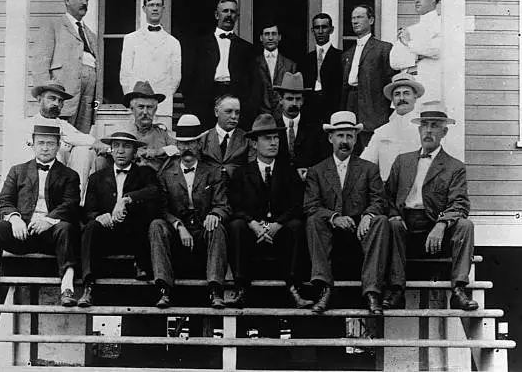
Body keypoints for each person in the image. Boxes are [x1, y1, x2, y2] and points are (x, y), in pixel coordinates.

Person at [0, 123, 80, 307]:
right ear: (33, 145)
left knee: (66, 227)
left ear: (58, 146)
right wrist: (14, 218)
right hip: (21, 234)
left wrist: (49, 220)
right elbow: (3, 200)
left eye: (51, 143)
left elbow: (71, 205)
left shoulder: (69, 175)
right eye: (41, 143)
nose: (45, 148)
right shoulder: (18, 171)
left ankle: (67, 288)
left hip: (51, 238)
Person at [383, 101, 478, 311]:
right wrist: (394, 215)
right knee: (391, 224)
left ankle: (459, 290)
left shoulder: (455, 167)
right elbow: (386, 197)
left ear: (444, 132)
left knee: (465, 226)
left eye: (434, 125)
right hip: (405, 227)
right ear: (419, 129)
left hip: (436, 230)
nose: (428, 130)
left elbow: (459, 203)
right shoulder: (402, 161)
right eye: (424, 125)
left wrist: (442, 222)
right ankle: (396, 289)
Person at [304, 111, 389, 315]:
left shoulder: (368, 169)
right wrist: (334, 218)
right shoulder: (317, 171)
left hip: (360, 232)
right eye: (340, 136)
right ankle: (324, 289)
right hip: (329, 232)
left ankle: (372, 292)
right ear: (330, 138)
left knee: (382, 221)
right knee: (314, 219)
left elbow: (379, 200)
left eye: (349, 136)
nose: (345, 141)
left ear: (355, 138)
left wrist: (368, 216)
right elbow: (310, 205)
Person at [227, 114, 312, 309]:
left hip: (280, 232)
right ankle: (241, 288)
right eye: (267, 139)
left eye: (276, 138)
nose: (273, 143)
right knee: (236, 226)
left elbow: (297, 204)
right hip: (252, 233)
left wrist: (277, 224)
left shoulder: (288, 171)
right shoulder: (242, 172)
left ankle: (294, 289)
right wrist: (253, 223)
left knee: (298, 226)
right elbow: (235, 205)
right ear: (255, 144)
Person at [150, 115, 229, 309]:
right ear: (176, 144)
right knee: (156, 226)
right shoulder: (166, 174)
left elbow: (223, 204)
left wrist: (215, 214)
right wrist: (178, 225)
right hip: (178, 231)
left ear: (199, 144)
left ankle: (215, 290)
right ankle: (164, 289)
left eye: (192, 143)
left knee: (217, 227)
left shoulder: (212, 171)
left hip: (203, 228)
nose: (187, 148)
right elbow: (162, 208)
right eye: (183, 143)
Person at [78, 132, 161, 307]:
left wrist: (127, 199)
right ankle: (88, 286)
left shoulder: (145, 174)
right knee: (91, 227)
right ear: (111, 150)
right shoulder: (97, 178)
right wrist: (99, 216)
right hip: (107, 235)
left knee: (146, 218)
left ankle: (143, 268)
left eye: (127, 147)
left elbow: (155, 192)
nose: (121, 151)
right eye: (116, 146)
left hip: (135, 235)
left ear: (135, 152)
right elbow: (87, 211)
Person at [18, 81, 111, 200]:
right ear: (39, 99)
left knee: (83, 150)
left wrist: (105, 146)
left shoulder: (64, 126)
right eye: (52, 98)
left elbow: (81, 138)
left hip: (62, 180)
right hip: (33, 180)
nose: (56, 103)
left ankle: (75, 201)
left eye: (60, 101)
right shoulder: (26, 125)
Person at [185, 0, 259, 131]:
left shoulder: (247, 48)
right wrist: (194, 105)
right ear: (216, 15)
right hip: (207, 99)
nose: (229, 15)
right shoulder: (200, 44)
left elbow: (253, 83)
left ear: (237, 16)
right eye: (225, 11)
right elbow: (189, 78)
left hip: (236, 99)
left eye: (233, 12)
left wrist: (248, 108)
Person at [32, 0, 98, 134]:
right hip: (63, 93)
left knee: (80, 137)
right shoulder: (53, 25)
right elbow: (40, 62)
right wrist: (45, 97)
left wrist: (96, 105)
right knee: (58, 134)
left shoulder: (91, 35)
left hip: (88, 97)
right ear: (67, 0)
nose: (85, 3)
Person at [120, 0, 182, 127]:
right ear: (144, 8)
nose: (155, 8)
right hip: (137, 107)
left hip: (163, 106)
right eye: (151, 5)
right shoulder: (131, 39)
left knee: (161, 143)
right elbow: (125, 75)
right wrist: (134, 102)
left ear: (163, 9)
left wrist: (161, 95)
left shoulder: (173, 42)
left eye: (158, 5)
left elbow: (176, 77)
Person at [341, 5, 396, 151]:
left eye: (359, 17)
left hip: (373, 111)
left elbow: (391, 81)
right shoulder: (348, 54)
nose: (355, 21)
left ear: (371, 20)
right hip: (351, 107)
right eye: (353, 18)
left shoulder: (383, 49)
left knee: (372, 153)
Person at [361, 73, 425, 181]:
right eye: (397, 94)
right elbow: (365, 165)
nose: (401, 98)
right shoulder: (381, 132)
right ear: (392, 99)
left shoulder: (424, 129)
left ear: (415, 96)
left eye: (406, 93)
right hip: (387, 192)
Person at [390, 0, 442, 102]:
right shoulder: (411, 29)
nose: (416, 0)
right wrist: (418, 56)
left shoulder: (441, 24)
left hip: (430, 89)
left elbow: (436, 50)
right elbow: (394, 61)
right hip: (408, 91)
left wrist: (408, 44)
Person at [274, 72, 330, 180]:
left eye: (298, 99)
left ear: (303, 101)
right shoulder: (273, 125)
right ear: (281, 100)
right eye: (289, 99)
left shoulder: (315, 127)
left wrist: (310, 171)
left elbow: (324, 159)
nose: (294, 103)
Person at [121, 81, 178, 173]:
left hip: (157, 182)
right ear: (132, 109)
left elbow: (180, 148)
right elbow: (100, 145)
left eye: (149, 107)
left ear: (155, 110)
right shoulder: (124, 132)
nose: (145, 112)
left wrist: (160, 151)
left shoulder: (162, 133)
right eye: (141, 107)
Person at [298, 13, 344, 124]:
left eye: (324, 27)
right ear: (312, 30)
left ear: (331, 30)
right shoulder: (305, 59)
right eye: (317, 27)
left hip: (332, 110)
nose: (320, 31)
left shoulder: (341, 57)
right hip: (309, 111)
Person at [200, 94, 249, 184]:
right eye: (228, 111)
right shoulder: (203, 139)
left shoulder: (247, 140)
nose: (234, 116)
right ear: (216, 112)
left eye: (237, 112)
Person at [255, 22, 297, 117]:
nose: (270, 38)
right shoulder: (253, 63)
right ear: (261, 38)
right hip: (259, 117)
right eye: (267, 34)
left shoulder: (290, 65)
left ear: (279, 37)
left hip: (283, 116)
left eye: (274, 34)